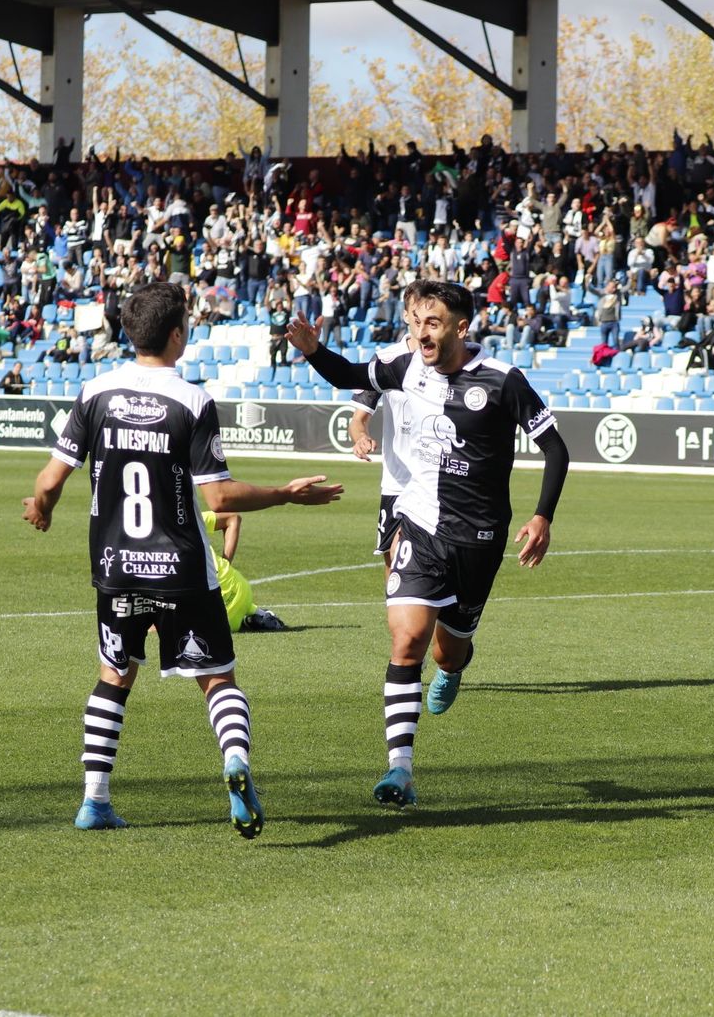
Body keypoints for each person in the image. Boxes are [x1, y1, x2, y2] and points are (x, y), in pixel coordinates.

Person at [23, 282, 341, 836]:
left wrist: (44, 509)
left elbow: (50, 480)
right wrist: (285, 494)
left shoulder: (95, 391)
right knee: (218, 679)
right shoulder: (192, 401)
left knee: (114, 676)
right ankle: (235, 762)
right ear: (177, 334)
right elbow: (219, 499)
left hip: (116, 566)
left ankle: (94, 801)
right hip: (182, 569)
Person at [286, 279, 571, 808]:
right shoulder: (404, 366)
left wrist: (542, 516)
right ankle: (400, 770)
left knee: (449, 648)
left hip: (480, 539)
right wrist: (312, 351)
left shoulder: (503, 381)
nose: (420, 334)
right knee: (407, 640)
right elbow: (349, 375)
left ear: (461, 328)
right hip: (417, 524)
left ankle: (455, 667)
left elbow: (556, 449)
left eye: (432, 323)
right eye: (415, 322)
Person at [347, 299, 419, 571]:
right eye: (415, 314)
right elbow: (357, 420)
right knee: (393, 560)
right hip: (397, 482)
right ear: (405, 315)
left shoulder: (445, 361)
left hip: (436, 482)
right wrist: (360, 438)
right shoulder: (386, 360)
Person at [201, 511, 289, 633]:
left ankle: (252, 617)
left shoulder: (166, 535)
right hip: (240, 589)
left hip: (217, 621)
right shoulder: (192, 517)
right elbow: (233, 519)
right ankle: (258, 615)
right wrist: (225, 564)